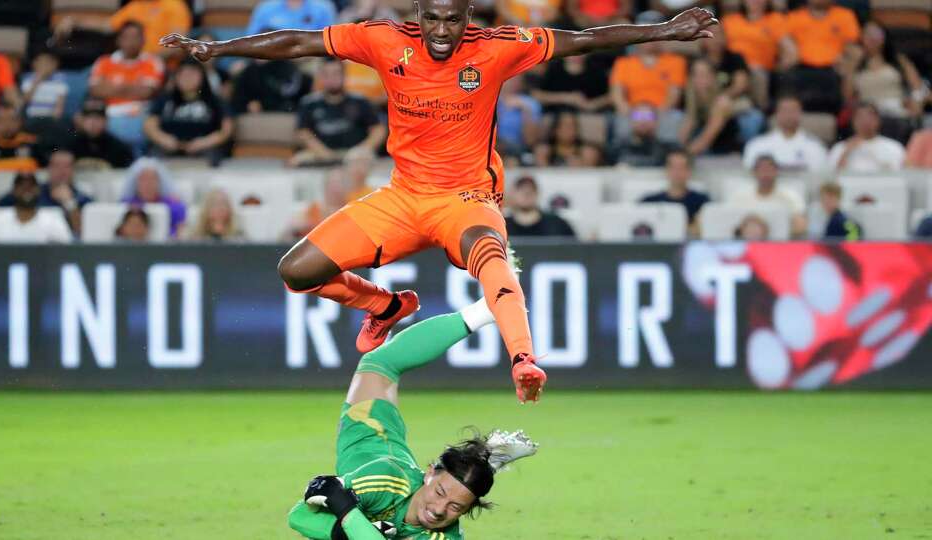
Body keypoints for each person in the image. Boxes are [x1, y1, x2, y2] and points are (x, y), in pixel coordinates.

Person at [161, 0, 718, 403]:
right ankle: (385, 307)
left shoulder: (497, 49)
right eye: (434, 18)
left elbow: (585, 41)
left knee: (492, 255)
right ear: (418, 13)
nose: (444, 30)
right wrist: (217, 47)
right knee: (297, 271)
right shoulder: (383, 40)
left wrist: (664, 30)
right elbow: (299, 43)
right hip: (403, 197)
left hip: (466, 198)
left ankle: (524, 358)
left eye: (455, 18)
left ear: (468, 13)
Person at [287, 297, 537, 539]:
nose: (439, 510)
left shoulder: (446, 537)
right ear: (429, 474)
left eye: (456, 507)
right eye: (439, 492)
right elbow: (298, 517)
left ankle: (481, 463)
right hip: (372, 431)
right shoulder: (383, 482)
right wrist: (349, 527)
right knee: (380, 363)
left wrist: (349, 514)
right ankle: (484, 309)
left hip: (398, 466)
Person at [609, 11, 687, 142]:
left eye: (654, 32)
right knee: (620, 122)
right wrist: (634, 115)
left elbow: (674, 95)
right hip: (631, 113)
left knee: (675, 119)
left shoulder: (676, 62)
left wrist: (653, 117)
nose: (649, 38)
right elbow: (617, 95)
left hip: (663, 113)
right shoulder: (623, 63)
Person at [291, 59, 386, 166]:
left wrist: (363, 149)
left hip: (353, 155)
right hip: (320, 154)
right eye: (326, 74)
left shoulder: (360, 101)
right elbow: (302, 132)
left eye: (336, 73)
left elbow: (378, 130)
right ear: (320, 77)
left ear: (344, 75)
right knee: (296, 161)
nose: (331, 78)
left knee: (367, 159)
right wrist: (321, 152)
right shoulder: (308, 103)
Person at [89, 22, 165, 151]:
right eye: (127, 37)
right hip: (108, 114)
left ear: (143, 40)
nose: (131, 42)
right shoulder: (104, 62)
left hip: (140, 114)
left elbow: (146, 92)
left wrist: (113, 87)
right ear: (119, 40)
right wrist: (133, 88)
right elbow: (95, 90)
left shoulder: (152, 62)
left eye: (135, 37)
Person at [144, 60, 234, 166]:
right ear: (176, 77)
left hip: (205, 145)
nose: (187, 78)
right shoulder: (165, 99)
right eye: (183, 74)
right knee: (151, 161)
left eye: (192, 74)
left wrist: (204, 142)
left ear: (202, 76)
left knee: (214, 159)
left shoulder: (214, 100)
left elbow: (227, 129)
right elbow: (149, 124)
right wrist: (164, 139)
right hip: (168, 145)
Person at [779, 0, 860, 113]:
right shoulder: (795, 17)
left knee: (846, 71)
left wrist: (845, 58)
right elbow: (784, 40)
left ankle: (843, 114)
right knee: (785, 70)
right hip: (801, 66)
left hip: (834, 68)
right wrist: (790, 52)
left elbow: (852, 44)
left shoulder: (844, 15)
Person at [841, 21, 926, 121]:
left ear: (884, 37)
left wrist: (916, 102)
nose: (872, 38)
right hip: (868, 116)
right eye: (867, 34)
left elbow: (918, 88)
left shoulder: (899, 60)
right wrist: (854, 63)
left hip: (897, 112)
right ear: (861, 38)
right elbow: (847, 96)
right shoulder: (855, 64)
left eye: (876, 33)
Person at [0, 150, 92, 234]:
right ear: (48, 168)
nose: (62, 171)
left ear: (73, 170)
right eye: (57, 166)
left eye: (67, 166)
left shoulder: (83, 198)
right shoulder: (34, 190)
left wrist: (69, 203)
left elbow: (84, 233)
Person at [55, 0, 191, 58]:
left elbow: (180, 46)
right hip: (132, 63)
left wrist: (149, 60)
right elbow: (107, 26)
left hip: (163, 66)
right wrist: (74, 22)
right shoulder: (136, 5)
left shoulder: (174, 5)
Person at [721, 0, 789, 109]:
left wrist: (778, 70)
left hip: (760, 72)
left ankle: (760, 111)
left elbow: (790, 52)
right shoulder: (729, 21)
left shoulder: (775, 20)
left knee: (757, 73)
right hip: (731, 70)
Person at [0, 172, 72, 243]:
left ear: (38, 190)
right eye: (22, 186)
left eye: (31, 186)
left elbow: (66, 251)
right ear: (13, 191)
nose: (27, 190)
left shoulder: (53, 219)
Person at [742, 95, 828, 173]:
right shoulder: (757, 145)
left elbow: (819, 179)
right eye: (785, 110)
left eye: (793, 110)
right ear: (776, 114)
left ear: (801, 113)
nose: (789, 115)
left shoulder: (815, 146)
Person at [731, 155, 806, 236]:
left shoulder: (790, 197)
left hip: (780, 244)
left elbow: (800, 226)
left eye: (769, 170)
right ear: (754, 172)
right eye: (762, 170)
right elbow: (731, 226)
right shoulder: (739, 197)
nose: (766, 174)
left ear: (776, 171)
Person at [678, 59, 740, 155]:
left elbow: (707, 138)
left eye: (703, 74)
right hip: (707, 148)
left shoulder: (722, 102)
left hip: (723, 151)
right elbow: (688, 124)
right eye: (695, 74)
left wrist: (683, 155)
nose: (698, 79)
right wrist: (676, 148)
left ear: (712, 77)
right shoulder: (693, 98)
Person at [640, 150, 710, 234]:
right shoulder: (648, 202)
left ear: (689, 171)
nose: (677, 172)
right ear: (666, 170)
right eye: (673, 167)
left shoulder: (703, 203)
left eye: (682, 167)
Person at [828, 103, 905, 173]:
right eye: (860, 117)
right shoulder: (840, 148)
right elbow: (831, 179)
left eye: (870, 117)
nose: (865, 121)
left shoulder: (894, 147)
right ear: (853, 121)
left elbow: (901, 175)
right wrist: (846, 153)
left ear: (878, 120)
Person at [119, 157, 187, 236]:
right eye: (143, 179)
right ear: (135, 182)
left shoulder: (174, 206)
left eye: (152, 179)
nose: (148, 184)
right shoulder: (126, 206)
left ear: (160, 181)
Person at [69, 98, 136, 169]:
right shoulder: (70, 146)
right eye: (88, 118)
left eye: (98, 118)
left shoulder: (119, 148)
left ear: (106, 121)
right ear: (81, 120)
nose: (93, 123)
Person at [231, 59, 313, 113]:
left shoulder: (287, 68)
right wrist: (246, 106)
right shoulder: (248, 72)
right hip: (259, 117)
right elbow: (237, 100)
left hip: (287, 114)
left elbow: (297, 93)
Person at [505, 175, 576, 238]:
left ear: (537, 193)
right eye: (521, 189)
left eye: (531, 189)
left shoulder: (557, 224)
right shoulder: (503, 227)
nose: (526, 193)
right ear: (512, 194)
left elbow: (575, 247)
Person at [0, 105, 41, 171]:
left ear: (19, 122)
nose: (7, 124)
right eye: (2, 120)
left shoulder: (32, 145)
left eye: (11, 119)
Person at [607, 104, 676, 167]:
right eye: (638, 116)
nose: (643, 120)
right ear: (630, 121)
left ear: (656, 122)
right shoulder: (617, 147)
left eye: (649, 116)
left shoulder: (667, 149)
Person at [496, 76, 541, 166]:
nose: (513, 83)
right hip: (495, 146)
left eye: (516, 79)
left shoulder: (530, 103)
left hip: (520, 147)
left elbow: (531, 140)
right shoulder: (490, 101)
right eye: (510, 78)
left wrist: (525, 110)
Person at [534, 111, 602, 167]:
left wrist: (583, 166)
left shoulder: (586, 153)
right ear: (555, 129)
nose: (569, 130)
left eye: (572, 126)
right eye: (565, 126)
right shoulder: (544, 152)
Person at [20, 51, 68, 121]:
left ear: (55, 65)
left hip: (50, 117)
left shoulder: (60, 79)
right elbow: (25, 100)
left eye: (48, 63)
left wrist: (55, 118)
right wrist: (36, 82)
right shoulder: (28, 78)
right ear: (34, 64)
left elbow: (60, 104)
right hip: (32, 116)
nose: (44, 66)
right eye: (41, 63)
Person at [247, 0, 336, 34]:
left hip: (311, 59)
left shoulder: (323, 7)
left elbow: (329, 41)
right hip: (272, 58)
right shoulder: (265, 8)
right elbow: (252, 39)